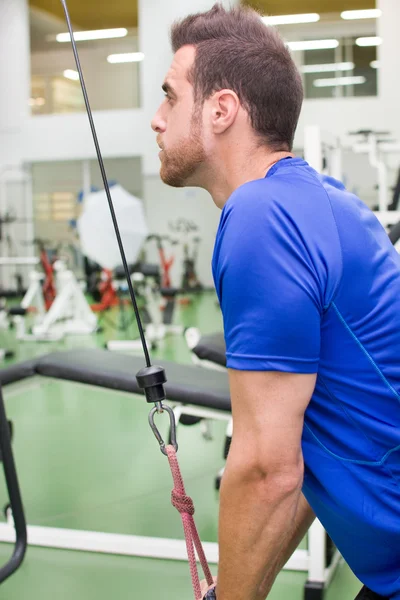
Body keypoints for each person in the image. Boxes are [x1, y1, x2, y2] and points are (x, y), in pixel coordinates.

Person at [151, 5, 400, 600]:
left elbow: (267, 470)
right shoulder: (326, 200)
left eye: (169, 96)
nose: (157, 120)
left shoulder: (261, 216)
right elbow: (302, 461)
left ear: (221, 109)